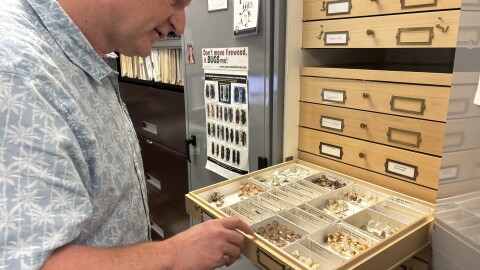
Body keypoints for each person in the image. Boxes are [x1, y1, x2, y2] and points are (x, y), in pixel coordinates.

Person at [0, 0, 254, 269]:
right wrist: (174, 255)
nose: (179, 27)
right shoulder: (18, 72)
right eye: (175, 2)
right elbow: (27, 263)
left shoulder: (80, 60)